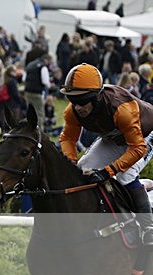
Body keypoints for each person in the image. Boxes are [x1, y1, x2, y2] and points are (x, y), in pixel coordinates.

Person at [60, 63, 153, 245]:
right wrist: (70, 163)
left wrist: (109, 170)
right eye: (73, 100)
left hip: (144, 136)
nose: (77, 107)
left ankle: (148, 227)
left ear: (95, 97)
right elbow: (67, 139)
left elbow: (137, 148)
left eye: (82, 101)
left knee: (126, 175)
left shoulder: (122, 110)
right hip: (115, 136)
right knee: (83, 168)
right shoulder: (72, 111)